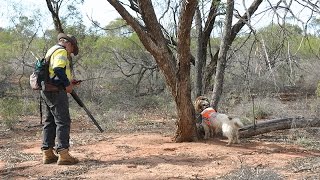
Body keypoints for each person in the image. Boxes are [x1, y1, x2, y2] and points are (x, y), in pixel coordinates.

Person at [41, 33, 80, 165]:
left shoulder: (52, 49)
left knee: (50, 120)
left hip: (47, 89)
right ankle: (63, 154)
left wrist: (69, 81)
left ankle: (48, 153)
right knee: (63, 121)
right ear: (68, 43)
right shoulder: (61, 51)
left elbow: (52, 72)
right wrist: (67, 84)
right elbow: (58, 68)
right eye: (72, 49)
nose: (71, 52)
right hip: (56, 91)